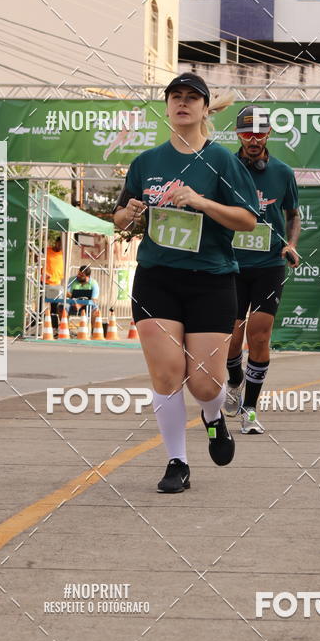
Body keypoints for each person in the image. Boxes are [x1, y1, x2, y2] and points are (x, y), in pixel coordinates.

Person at [113, 72, 259, 494]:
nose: (182, 103)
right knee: (167, 375)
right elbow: (119, 218)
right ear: (168, 106)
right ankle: (177, 461)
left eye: (191, 98)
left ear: (203, 108)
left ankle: (214, 418)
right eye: (175, 96)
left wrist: (200, 202)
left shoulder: (223, 161)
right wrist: (131, 214)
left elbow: (248, 220)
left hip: (211, 280)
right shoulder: (147, 162)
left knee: (204, 383)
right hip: (157, 277)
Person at [223, 106, 300, 434]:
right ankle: (234, 378)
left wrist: (291, 244)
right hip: (230, 262)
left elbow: (293, 214)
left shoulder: (282, 171)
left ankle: (251, 410)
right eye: (246, 133)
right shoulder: (223, 167)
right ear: (238, 136)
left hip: (269, 263)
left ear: (269, 134)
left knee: (260, 334)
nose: (253, 140)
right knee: (230, 335)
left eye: (259, 133)